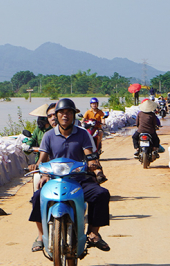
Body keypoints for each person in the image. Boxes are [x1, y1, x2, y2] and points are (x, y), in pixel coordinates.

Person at [29, 98, 111, 253]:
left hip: (79, 180)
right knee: (37, 197)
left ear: (74, 115)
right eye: (61, 113)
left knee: (101, 194)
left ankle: (93, 233)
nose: (65, 115)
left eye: (68, 112)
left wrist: (93, 164)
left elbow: (89, 154)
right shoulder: (48, 136)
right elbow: (42, 159)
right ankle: (40, 236)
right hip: (55, 180)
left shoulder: (83, 134)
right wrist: (39, 168)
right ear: (56, 116)